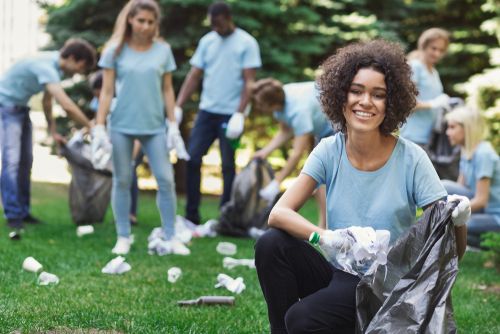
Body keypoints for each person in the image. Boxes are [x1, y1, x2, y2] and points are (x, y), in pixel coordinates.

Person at [254, 40, 470, 334]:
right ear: (340, 96)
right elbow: (278, 214)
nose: (365, 102)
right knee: (271, 245)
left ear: (390, 103)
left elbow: (450, 253)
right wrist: (327, 238)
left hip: (386, 287)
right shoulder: (329, 150)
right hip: (339, 271)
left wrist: (459, 223)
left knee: (304, 319)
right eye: (356, 91)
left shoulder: (412, 158)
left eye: (378, 95)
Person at [93, 0, 189, 255]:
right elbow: (106, 91)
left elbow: (167, 89)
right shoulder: (114, 51)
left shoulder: (162, 51)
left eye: (151, 21)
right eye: (141, 20)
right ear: (130, 20)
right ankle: (123, 236)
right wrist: (100, 126)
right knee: (122, 180)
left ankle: (170, 236)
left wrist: (173, 125)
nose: (145, 26)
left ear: (156, 24)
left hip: (154, 127)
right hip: (122, 125)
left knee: (166, 180)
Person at [175, 1, 262, 225]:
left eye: (219, 23)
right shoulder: (207, 41)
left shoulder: (246, 43)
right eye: (212, 24)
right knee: (192, 158)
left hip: (230, 114)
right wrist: (178, 105)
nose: (215, 28)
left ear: (228, 18)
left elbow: (249, 83)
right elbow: (194, 76)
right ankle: (192, 215)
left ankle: (226, 216)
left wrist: (239, 114)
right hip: (207, 111)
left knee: (227, 165)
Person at [0, 38, 96, 231]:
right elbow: (67, 106)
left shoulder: (54, 68)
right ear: (71, 57)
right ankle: (13, 215)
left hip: (20, 107)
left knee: (26, 161)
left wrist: (53, 132)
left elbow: (46, 102)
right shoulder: (46, 66)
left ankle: (23, 212)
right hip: (6, 107)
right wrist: (92, 127)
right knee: (11, 161)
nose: (79, 72)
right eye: (81, 66)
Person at [251, 78, 335, 228]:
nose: (259, 107)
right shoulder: (281, 100)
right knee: (320, 181)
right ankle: (324, 225)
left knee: (321, 179)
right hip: (321, 130)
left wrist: (277, 183)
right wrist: (265, 151)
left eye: (261, 105)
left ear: (272, 104)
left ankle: (324, 226)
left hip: (335, 127)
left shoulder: (298, 110)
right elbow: (285, 131)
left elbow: (297, 153)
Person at [442, 106, 500, 247]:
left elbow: (481, 200)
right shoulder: (467, 150)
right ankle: (479, 244)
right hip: (482, 211)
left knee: (456, 225)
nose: (447, 132)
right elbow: (459, 189)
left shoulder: (483, 154)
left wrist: (451, 215)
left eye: (452, 127)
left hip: (494, 215)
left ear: (466, 128)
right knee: (450, 223)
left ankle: (490, 245)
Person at [89, 70, 140, 225]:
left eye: (99, 93)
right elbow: (99, 119)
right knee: (118, 176)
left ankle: (131, 213)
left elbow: (137, 134)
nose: (98, 98)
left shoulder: (126, 102)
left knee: (130, 173)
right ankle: (120, 212)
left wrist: (132, 157)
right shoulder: (97, 102)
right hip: (113, 142)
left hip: (134, 141)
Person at [400, 28, 451, 147]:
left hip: (430, 137)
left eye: (441, 50)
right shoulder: (415, 67)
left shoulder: (434, 72)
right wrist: (433, 104)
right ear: (423, 46)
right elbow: (406, 102)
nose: (437, 53)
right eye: (433, 48)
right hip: (412, 136)